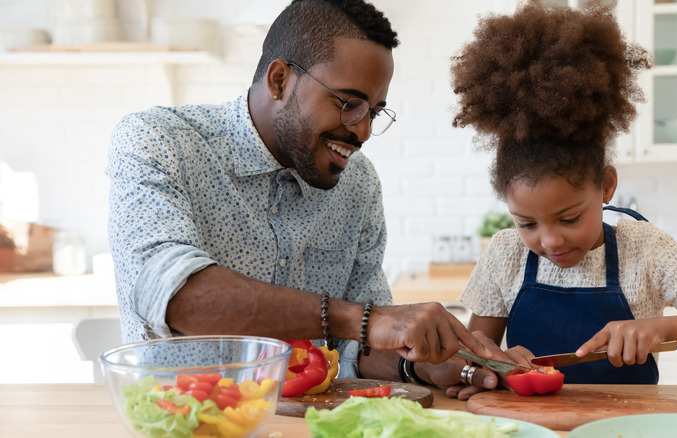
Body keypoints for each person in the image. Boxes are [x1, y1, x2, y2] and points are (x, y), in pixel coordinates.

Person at [106, 0, 492, 382]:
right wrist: (357, 318)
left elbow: (360, 349)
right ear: (279, 81)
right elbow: (178, 299)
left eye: (372, 112)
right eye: (348, 103)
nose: (362, 131)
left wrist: (424, 362)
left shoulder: (359, 184)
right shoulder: (157, 141)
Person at [415, 0, 677, 399]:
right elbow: (475, 354)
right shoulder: (505, 254)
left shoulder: (647, 251)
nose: (550, 240)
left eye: (569, 218)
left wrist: (663, 327)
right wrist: (491, 367)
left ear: (606, 186)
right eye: (527, 223)